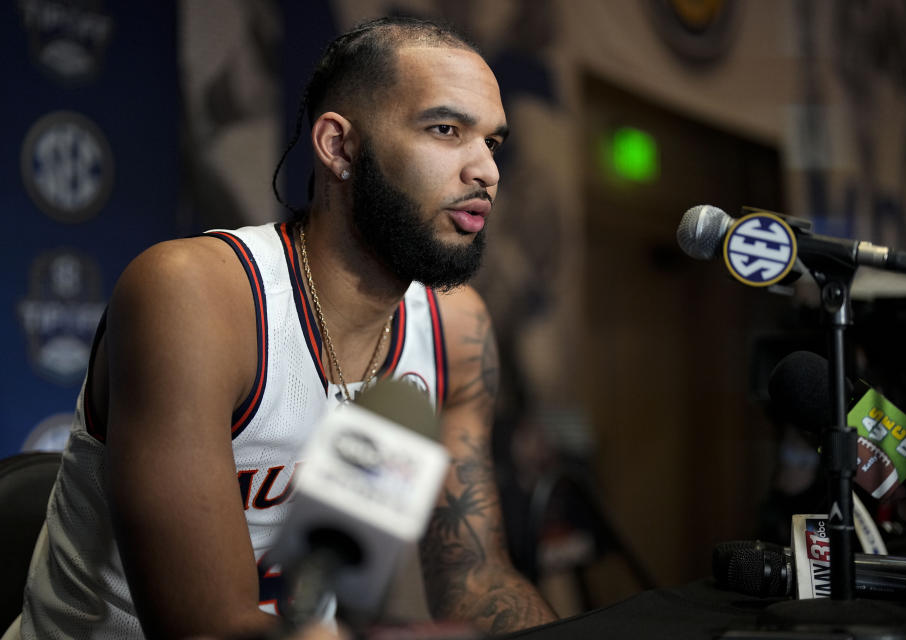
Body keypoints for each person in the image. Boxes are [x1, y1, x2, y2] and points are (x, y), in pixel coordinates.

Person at [13, 16, 557, 639]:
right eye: (445, 129)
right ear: (339, 146)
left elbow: (477, 576)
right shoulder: (197, 294)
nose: (485, 171)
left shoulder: (457, 330)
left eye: (492, 143)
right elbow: (205, 630)